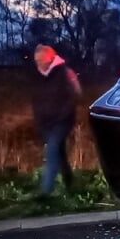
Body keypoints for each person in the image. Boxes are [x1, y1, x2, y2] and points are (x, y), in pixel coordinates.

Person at [31, 44, 82, 197]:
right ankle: (70, 183)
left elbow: (74, 96)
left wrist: (61, 116)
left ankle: (46, 191)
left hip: (62, 121)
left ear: (49, 58)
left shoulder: (64, 73)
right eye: (36, 60)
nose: (37, 63)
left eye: (40, 60)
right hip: (45, 123)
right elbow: (36, 99)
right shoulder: (37, 75)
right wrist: (39, 119)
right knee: (59, 153)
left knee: (52, 150)